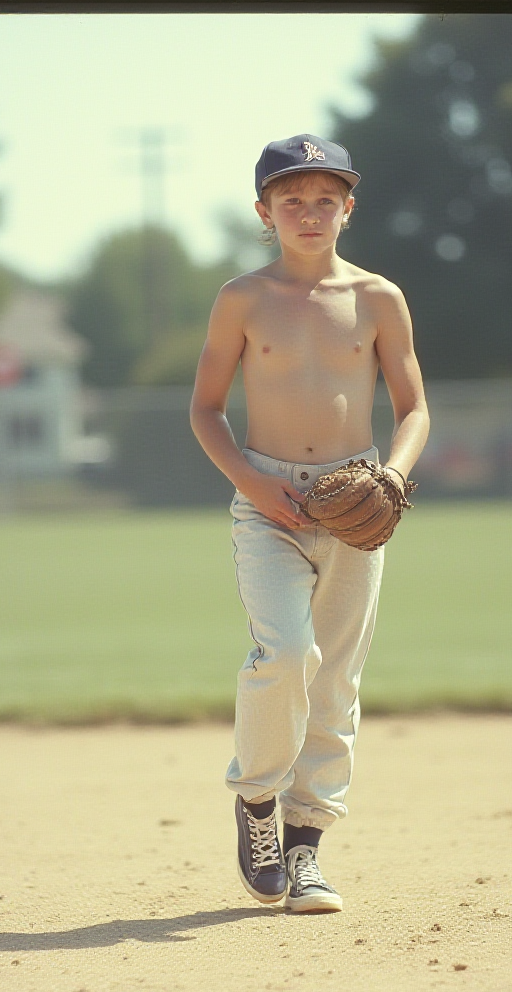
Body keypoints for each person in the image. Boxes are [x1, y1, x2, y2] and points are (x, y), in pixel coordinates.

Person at [190, 134, 429, 913]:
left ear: (348, 209)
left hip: (357, 497)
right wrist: (252, 483)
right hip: (269, 502)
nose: (310, 211)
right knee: (287, 650)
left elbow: (415, 407)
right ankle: (256, 801)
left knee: (336, 678)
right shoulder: (243, 298)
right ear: (264, 212)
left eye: (326, 197)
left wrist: (392, 475)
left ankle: (306, 853)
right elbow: (204, 409)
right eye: (291, 198)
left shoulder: (378, 299)